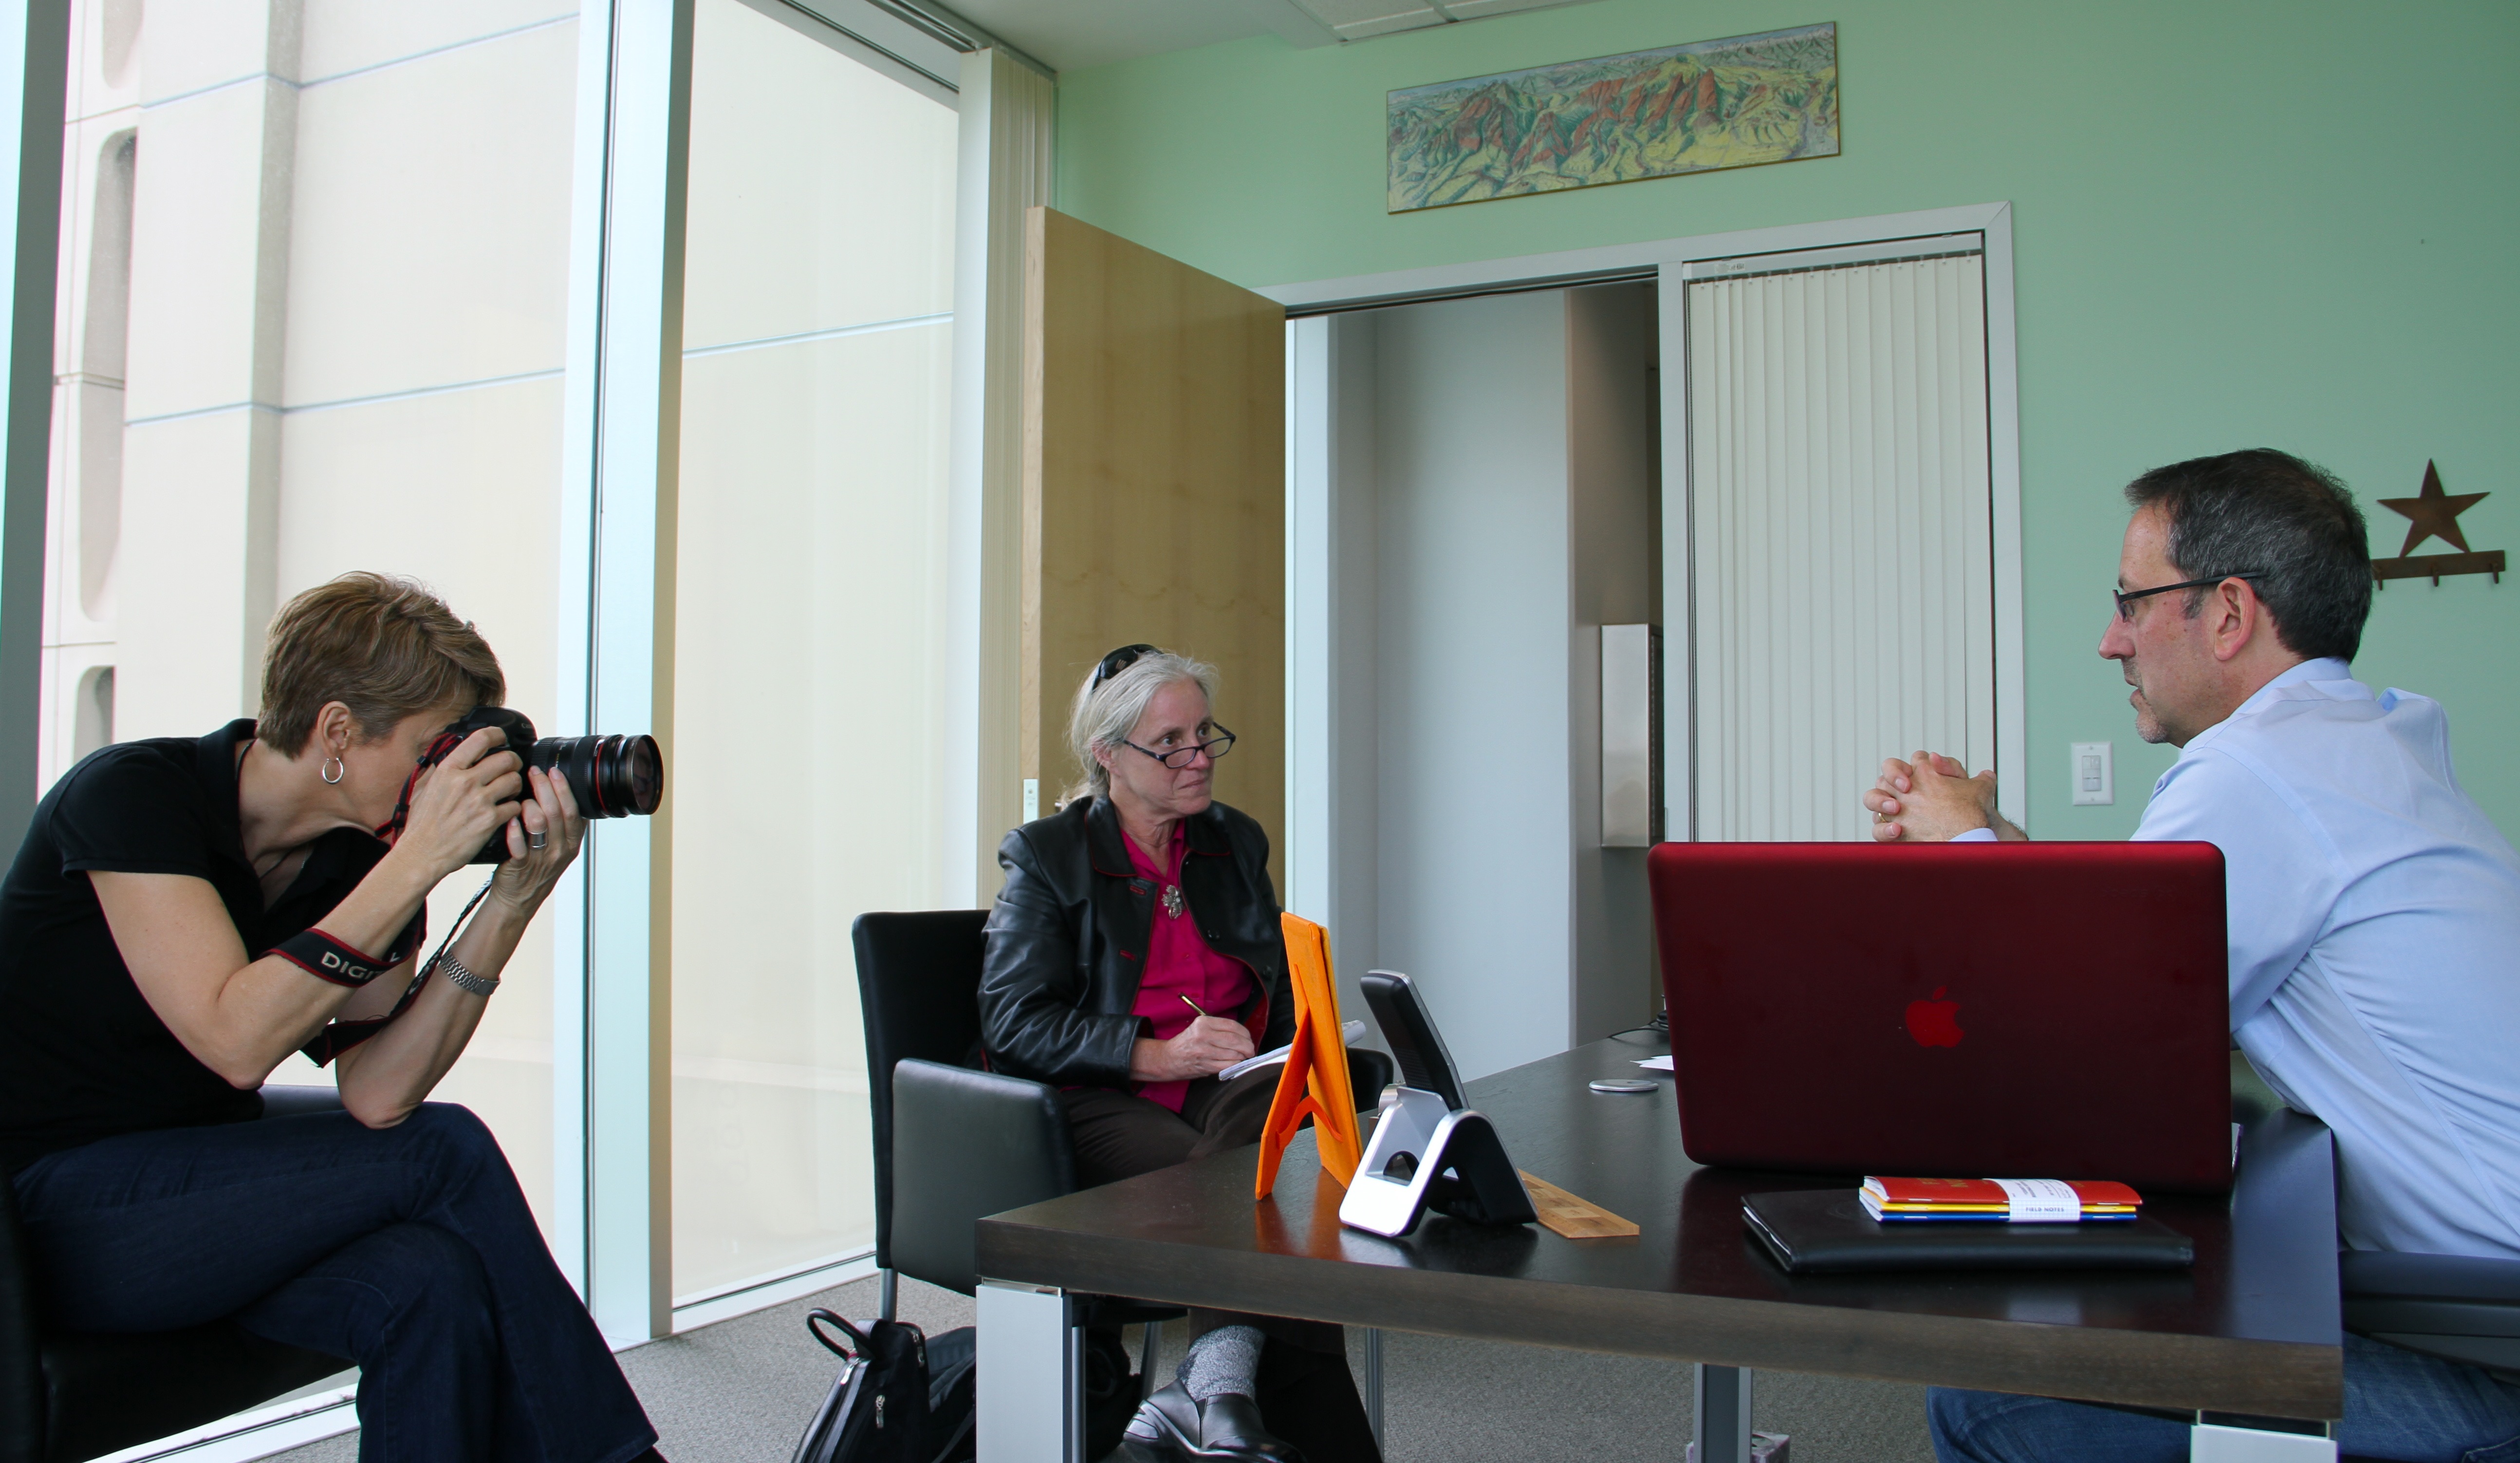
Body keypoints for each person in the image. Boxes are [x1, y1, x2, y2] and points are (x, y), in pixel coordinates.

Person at [1860, 450, 2520, 1462]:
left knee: (1989, 1396)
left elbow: (2072, 1041)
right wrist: (1988, 832)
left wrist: (1963, 848)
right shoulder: (2359, 740)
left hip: (2482, 1347)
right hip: (2471, 1305)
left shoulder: (2255, 770)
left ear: (2226, 613)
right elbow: (2150, 935)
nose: (2107, 640)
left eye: (2129, 602)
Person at [0, 573, 663, 1463]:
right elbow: (235, 1042)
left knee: (428, 1280)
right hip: (46, 1211)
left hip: (204, 1193)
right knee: (446, 1147)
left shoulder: (365, 859)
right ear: (339, 731)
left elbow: (380, 1095)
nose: (447, 782)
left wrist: (509, 903)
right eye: (434, 751)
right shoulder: (131, 797)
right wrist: (417, 861)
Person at [981, 645, 1380, 1463]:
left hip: (1222, 1093)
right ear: (1109, 755)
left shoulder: (1235, 842)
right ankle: (1221, 1384)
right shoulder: (1047, 856)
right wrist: (1155, 1056)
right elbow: (1013, 1022)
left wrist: (1300, 1050)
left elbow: (1267, 987)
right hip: (1097, 1100)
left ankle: (1207, 1391)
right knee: (1257, 1191)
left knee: (1284, 1134)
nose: (1198, 759)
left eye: (1205, 735)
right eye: (1171, 744)